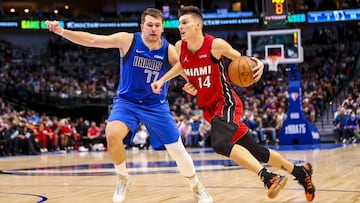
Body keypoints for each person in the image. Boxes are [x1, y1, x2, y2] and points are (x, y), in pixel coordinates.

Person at [45, 8, 212, 203]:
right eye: (149, 25)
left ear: (162, 28)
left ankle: (196, 186)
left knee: (177, 150)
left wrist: (193, 85)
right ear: (142, 26)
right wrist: (63, 32)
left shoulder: (169, 50)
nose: (153, 29)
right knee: (112, 134)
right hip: (127, 102)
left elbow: (186, 71)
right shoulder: (128, 40)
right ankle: (123, 178)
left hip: (155, 105)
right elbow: (92, 40)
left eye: (157, 25)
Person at [151, 5, 315, 201]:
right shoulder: (180, 47)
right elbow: (182, 65)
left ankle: (269, 177)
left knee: (220, 143)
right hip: (210, 109)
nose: (180, 27)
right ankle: (300, 173)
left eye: (184, 22)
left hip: (226, 103)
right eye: (179, 24)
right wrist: (168, 81)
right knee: (258, 152)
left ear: (197, 25)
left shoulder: (215, 45)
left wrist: (259, 62)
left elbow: (243, 60)